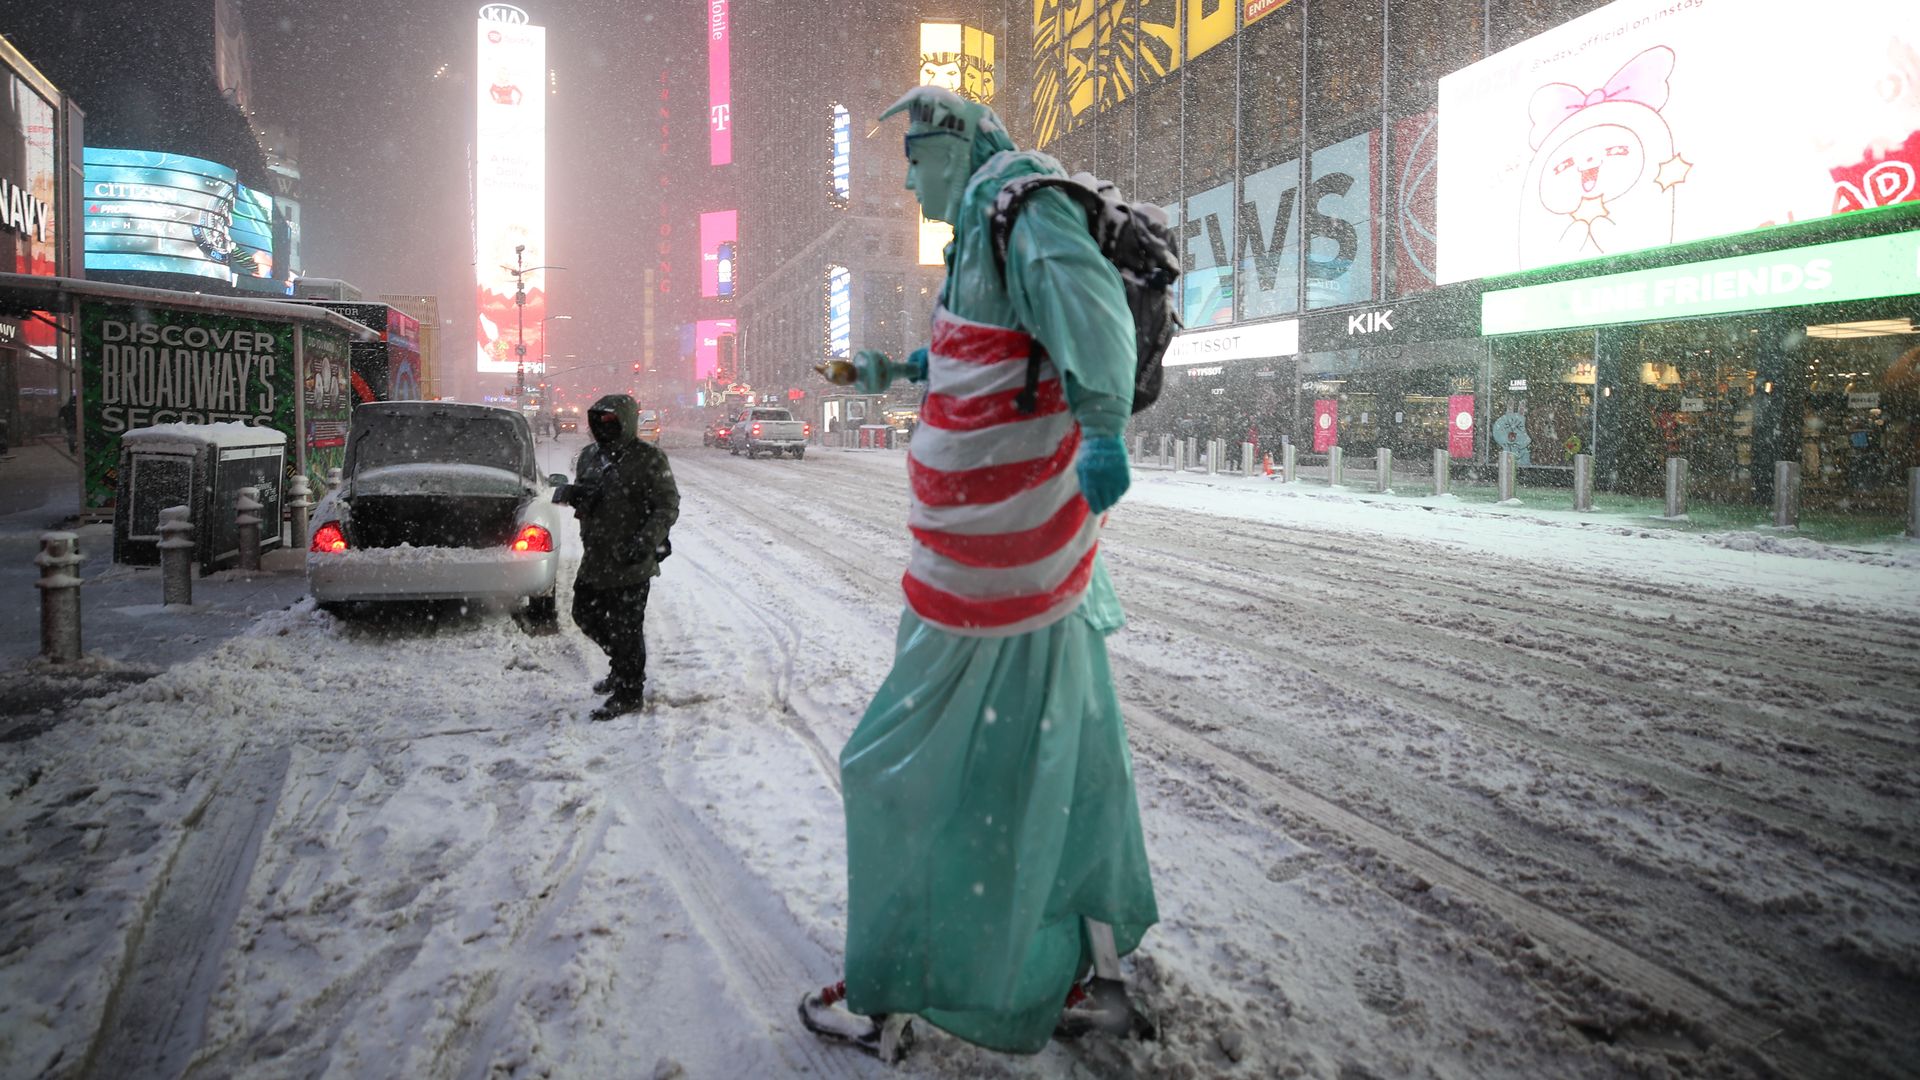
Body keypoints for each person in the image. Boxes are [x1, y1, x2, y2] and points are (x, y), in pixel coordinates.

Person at [800, 85, 1157, 1061]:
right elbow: (978, 354)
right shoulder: (981, 233)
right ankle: (1092, 979)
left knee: (891, 775)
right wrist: (883, 373)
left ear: (950, 143)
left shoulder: (1021, 207)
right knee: (1062, 776)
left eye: (913, 160)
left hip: (1000, 582)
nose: (909, 182)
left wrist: (1106, 434)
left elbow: (1094, 322)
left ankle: (888, 987)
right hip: (1018, 578)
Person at [557, 393, 678, 722]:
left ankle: (629, 691)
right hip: (596, 555)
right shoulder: (589, 456)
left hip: (631, 560)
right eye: (600, 420)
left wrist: (645, 541)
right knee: (585, 615)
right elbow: (587, 491)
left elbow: (667, 505)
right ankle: (620, 666)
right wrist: (574, 494)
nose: (604, 426)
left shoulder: (648, 458)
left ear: (626, 421)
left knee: (627, 628)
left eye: (612, 420)